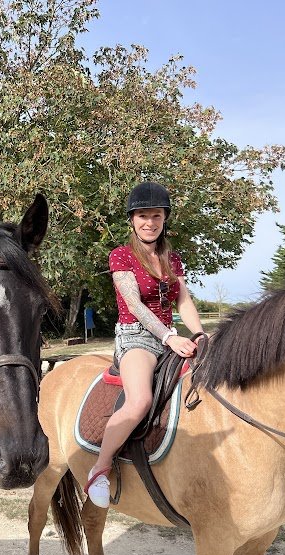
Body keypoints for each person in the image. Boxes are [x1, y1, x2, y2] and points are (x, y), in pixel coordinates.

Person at [85, 182, 204, 509]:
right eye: (142, 216)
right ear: (132, 220)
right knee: (140, 400)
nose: (149, 222)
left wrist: (199, 334)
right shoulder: (121, 256)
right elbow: (135, 305)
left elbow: (184, 301)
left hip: (171, 335)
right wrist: (168, 337)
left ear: (164, 218)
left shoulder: (173, 259)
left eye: (155, 215)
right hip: (136, 337)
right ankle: (100, 469)